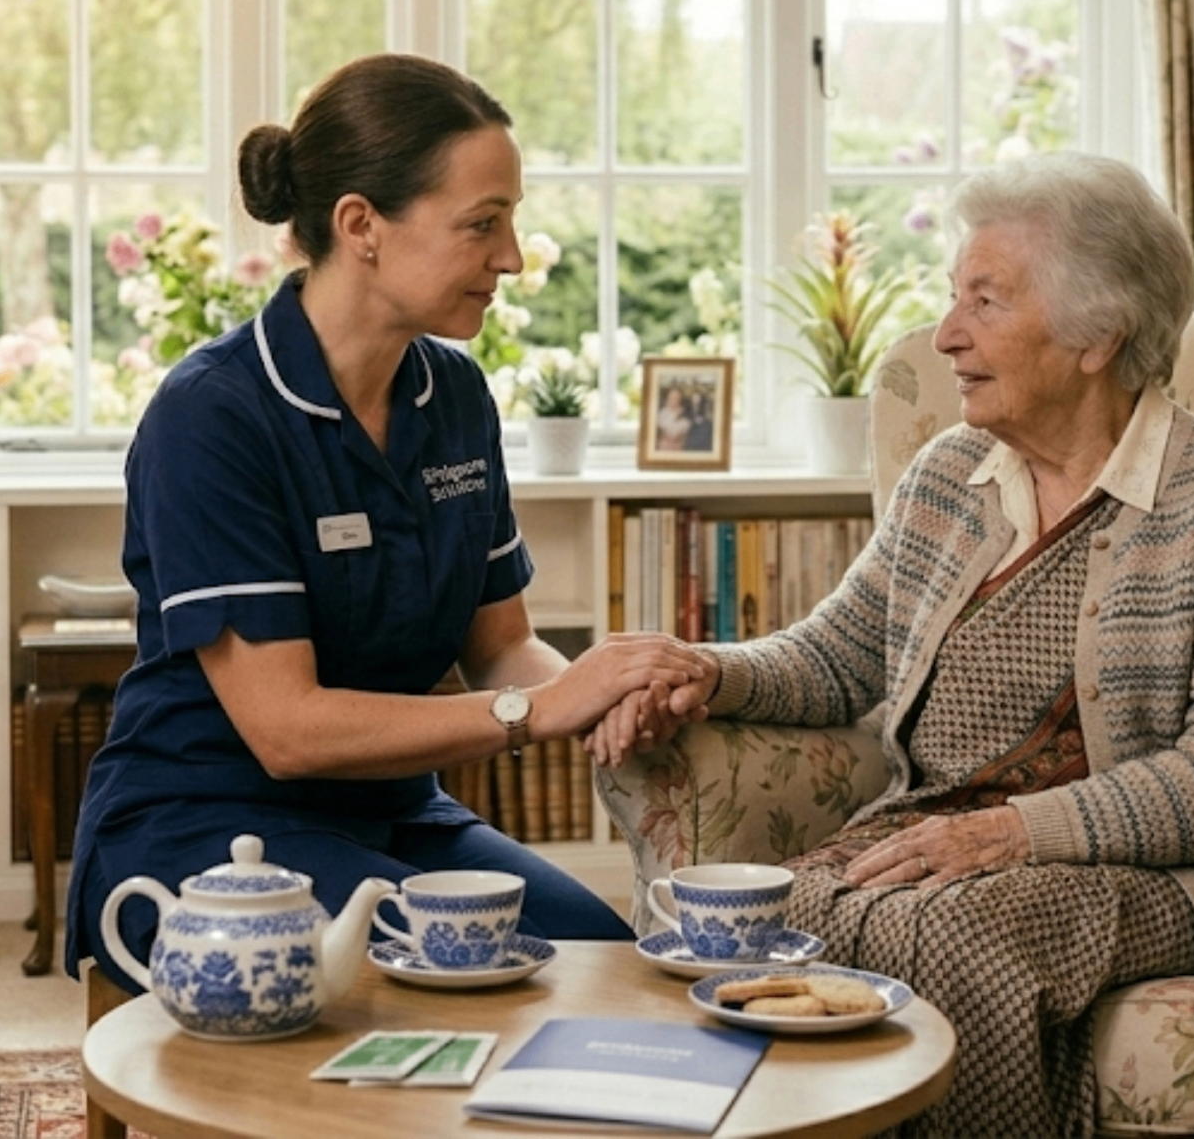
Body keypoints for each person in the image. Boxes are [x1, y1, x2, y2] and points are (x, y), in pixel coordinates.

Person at [592, 153, 1194, 1137]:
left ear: (1099, 333)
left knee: (953, 936)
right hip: (933, 841)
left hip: (1153, 873)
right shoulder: (952, 474)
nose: (946, 335)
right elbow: (841, 656)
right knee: (761, 920)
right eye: (953, 297)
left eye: (986, 300)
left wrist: (1015, 833)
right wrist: (708, 670)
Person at [65, 53, 714, 992]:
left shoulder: (454, 395)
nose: (512, 256)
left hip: (399, 817)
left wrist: (604, 696)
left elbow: (502, 648)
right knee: (469, 985)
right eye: (483, 223)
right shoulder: (212, 414)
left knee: (608, 970)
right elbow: (287, 729)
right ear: (361, 225)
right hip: (208, 826)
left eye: (512, 220)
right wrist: (540, 711)